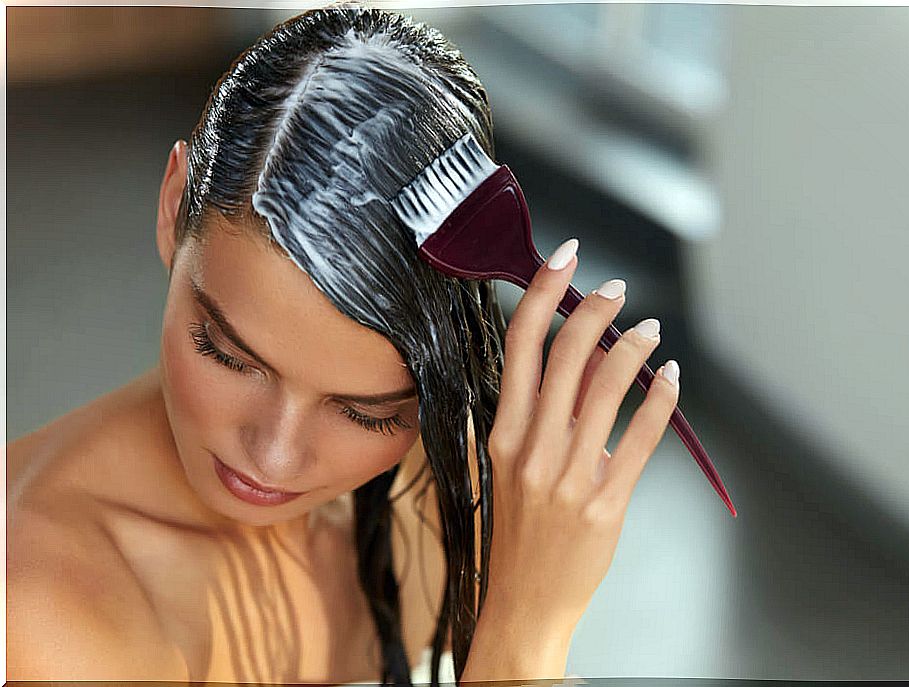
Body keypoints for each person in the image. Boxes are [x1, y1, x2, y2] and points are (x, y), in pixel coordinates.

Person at [6, 7, 681, 685]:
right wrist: (526, 631)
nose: (273, 455)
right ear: (173, 204)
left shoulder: (447, 487)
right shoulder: (38, 614)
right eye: (229, 355)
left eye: (366, 412)